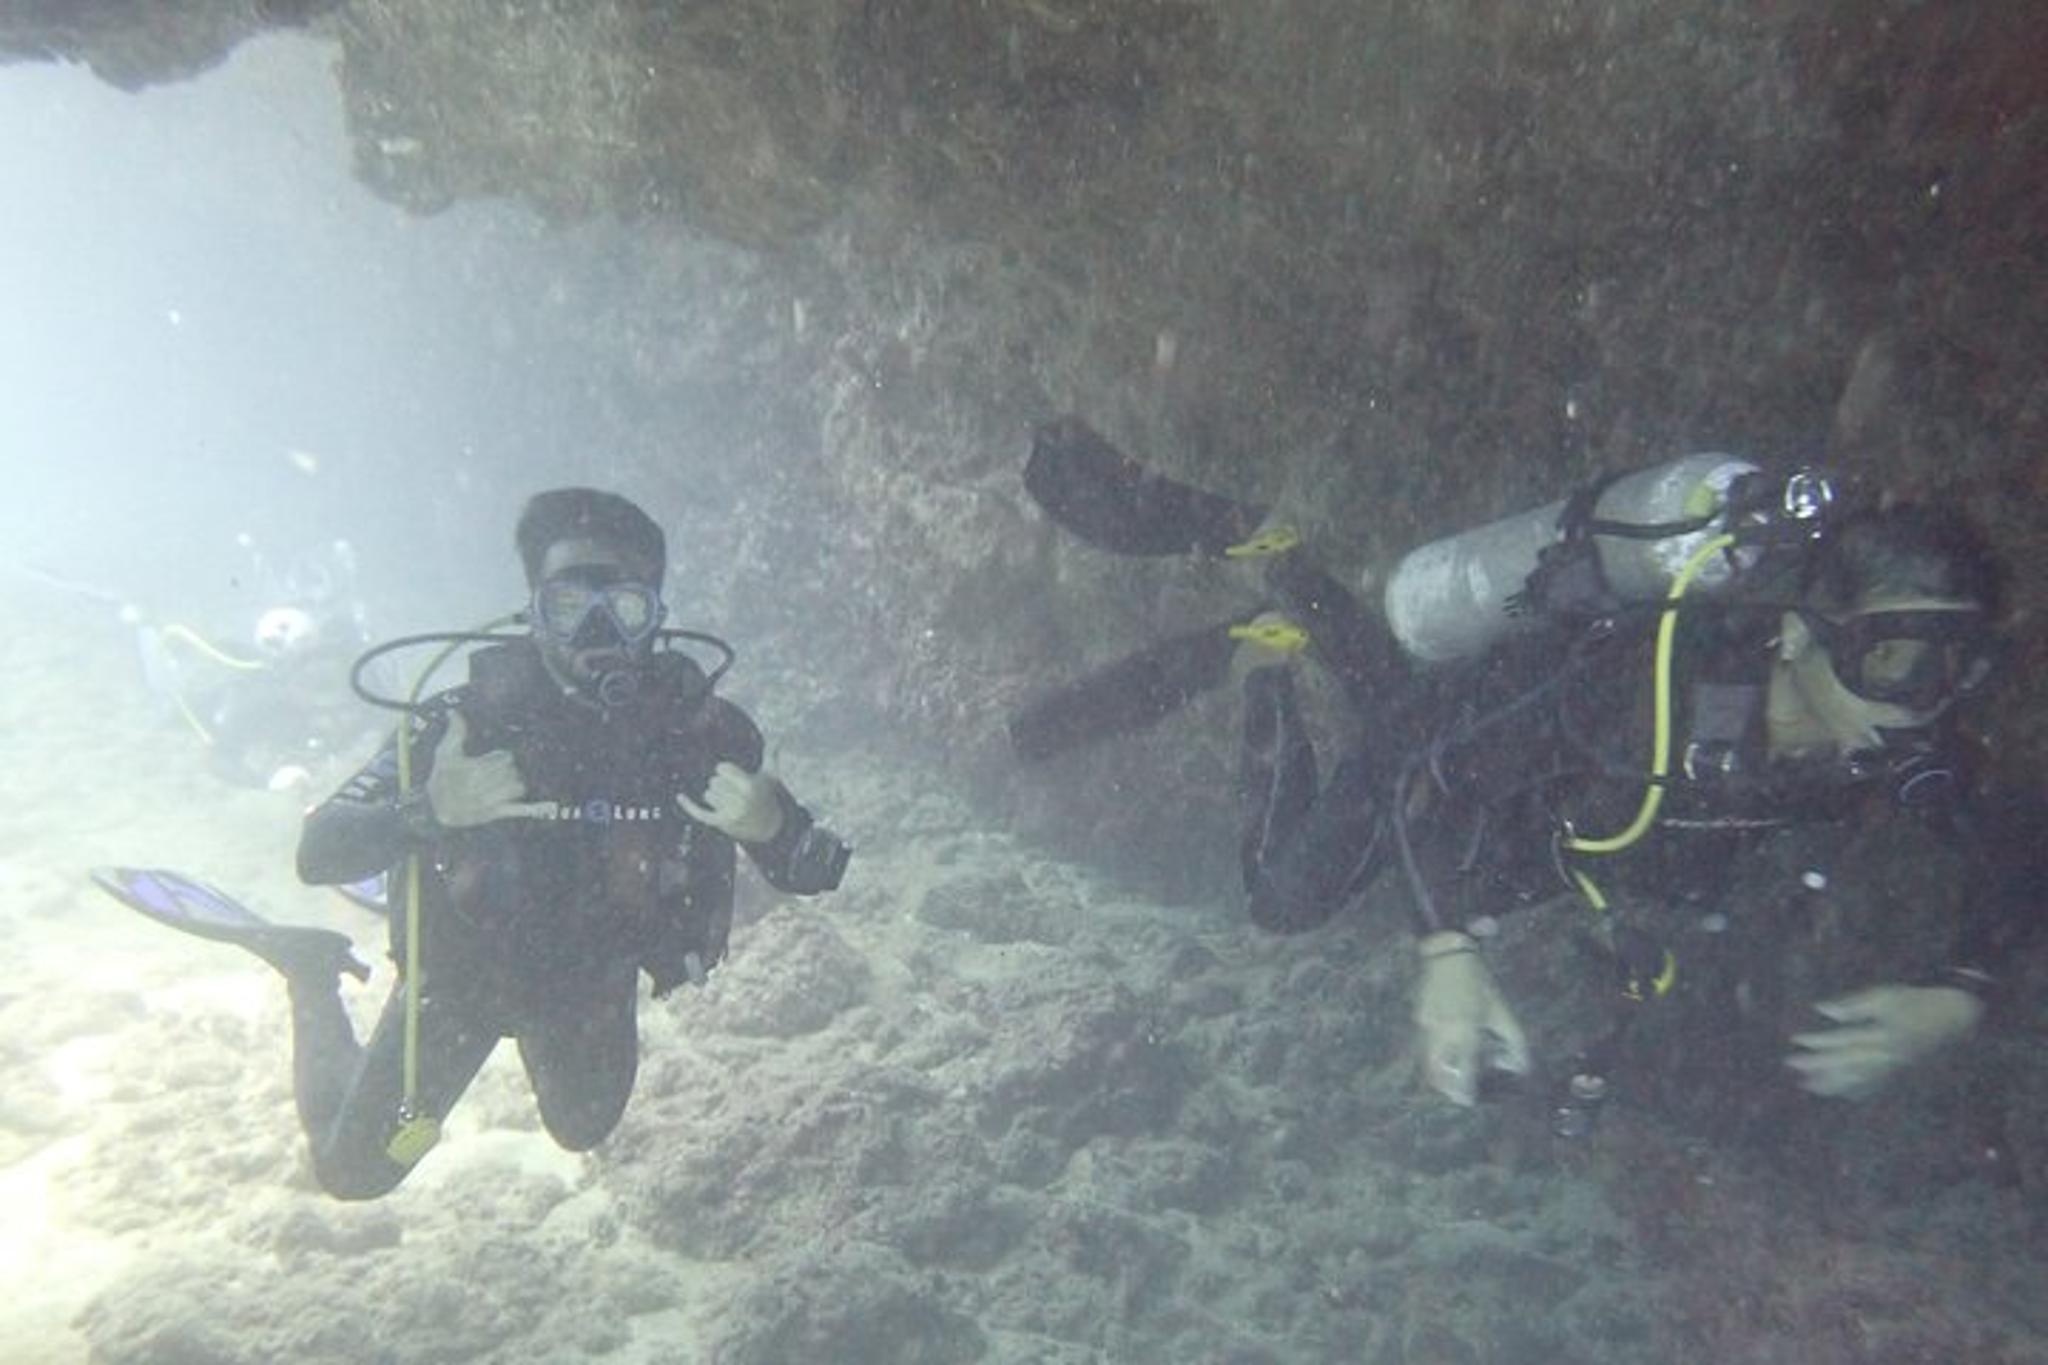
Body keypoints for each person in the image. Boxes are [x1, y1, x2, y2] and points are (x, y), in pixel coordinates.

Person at [1012, 420, 2040, 1126]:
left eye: (1957, 672)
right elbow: (1426, 775)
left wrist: (1960, 994)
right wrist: (1446, 952)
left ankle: (1281, 558)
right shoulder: (1647, 693)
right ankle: (1264, 651)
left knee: (1383, 683)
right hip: (1459, 754)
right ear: (1798, 636)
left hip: (1526, 828)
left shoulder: (1896, 738)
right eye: (1894, 661)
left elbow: (2015, 843)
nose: (1919, 705)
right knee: (1285, 896)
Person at [99, 488, 851, 1199]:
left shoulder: (703, 733)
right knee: (354, 1173)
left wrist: (774, 826)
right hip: (458, 986)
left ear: (655, 614)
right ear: (533, 613)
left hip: (592, 984)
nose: (598, 634)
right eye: (569, 605)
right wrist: (427, 809)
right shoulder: (458, 725)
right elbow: (319, 852)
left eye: (623, 605)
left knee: (583, 1128)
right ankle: (310, 969)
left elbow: (815, 867)